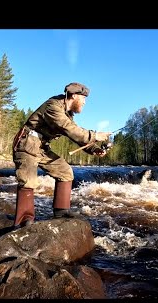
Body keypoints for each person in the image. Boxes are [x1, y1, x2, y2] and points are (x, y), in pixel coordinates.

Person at [12, 82, 111, 227]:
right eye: (83, 99)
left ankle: (61, 211)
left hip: (41, 147)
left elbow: (74, 133)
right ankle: (23, 220)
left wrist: (94, 149)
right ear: (74, 96)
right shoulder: (53, 106)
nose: (84, 103)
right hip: (27, 143)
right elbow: (69, 128)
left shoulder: (68, 114)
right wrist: (95, 135)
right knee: (28, 180)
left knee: (65, 172)